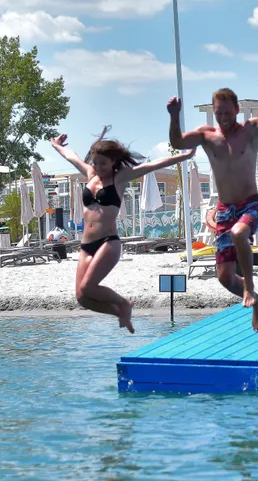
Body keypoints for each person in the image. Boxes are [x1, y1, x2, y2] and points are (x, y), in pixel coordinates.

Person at [168, 67, 258, 333]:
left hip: (252, 204)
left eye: (226, 111)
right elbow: (177, 142)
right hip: (224, 210)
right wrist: (174, 116)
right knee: (223, 278)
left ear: (237, 109)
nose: (222, 116)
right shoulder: (206, 136)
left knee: (239, 233)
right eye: (218, 111)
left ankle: (249, 287)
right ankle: (257, 301)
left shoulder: (251, 130)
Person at [50, 130, 196, 334]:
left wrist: (185, 156)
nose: (99, 167)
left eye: (103, 163)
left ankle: (124, 304)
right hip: (86, 246)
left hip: (108, 242)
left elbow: (152, 165)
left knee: (89, 288)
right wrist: (57, 146)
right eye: (96, 162)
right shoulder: (91, 175)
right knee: (82, 298)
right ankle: (118, 312)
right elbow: (71, 157)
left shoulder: (120, 178)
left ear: (113, 162)